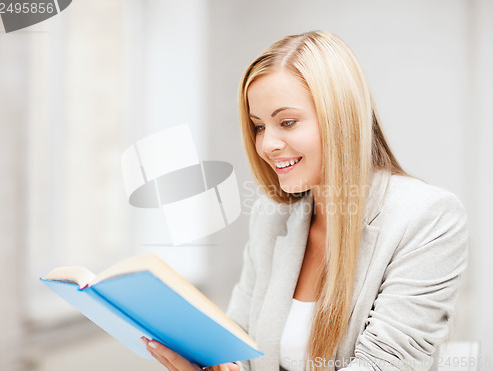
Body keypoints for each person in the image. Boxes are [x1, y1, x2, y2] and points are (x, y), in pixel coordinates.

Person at [141, 31, 468, 371]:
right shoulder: (273, 216)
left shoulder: (429, 217)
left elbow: (384, 365)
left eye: (287, 122)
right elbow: (239, 341)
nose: (267, 145)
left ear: (340, 118)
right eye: (258, 127)